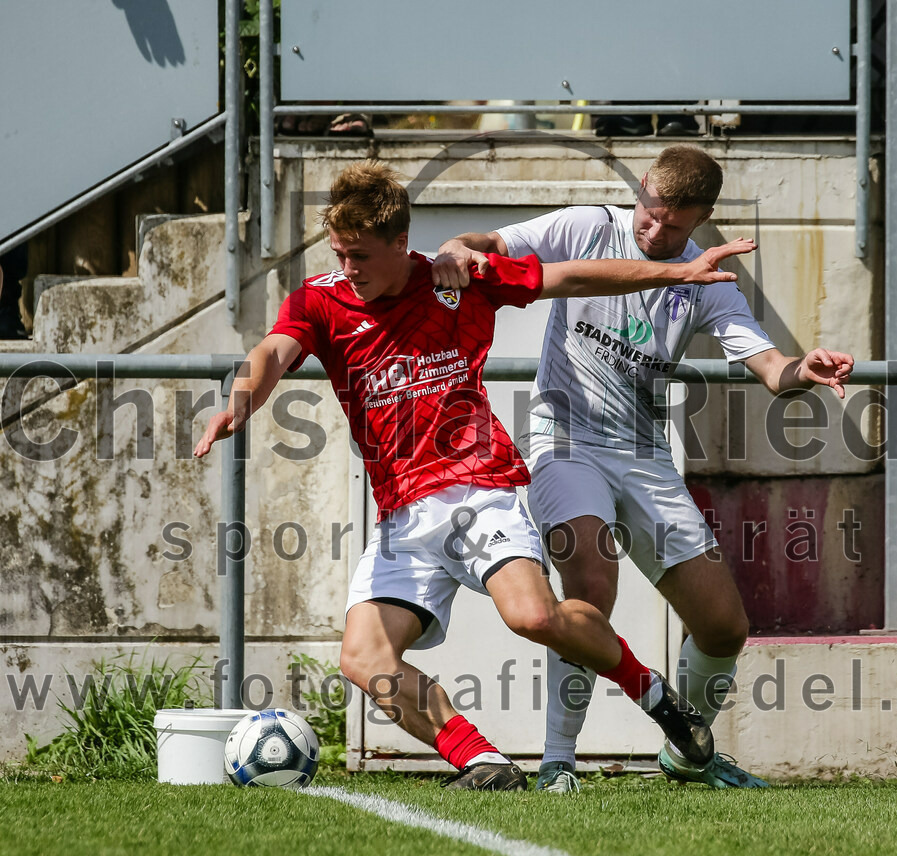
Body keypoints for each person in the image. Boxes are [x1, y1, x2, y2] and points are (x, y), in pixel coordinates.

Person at [194, 160, 759, 790]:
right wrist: (239, 402)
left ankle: (654, 698)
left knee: (535, 618)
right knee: (363, 659)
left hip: (477, 491)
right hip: (402, 515)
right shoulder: (321, 300)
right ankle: (482, 759)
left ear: (398, 244)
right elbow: (274, 350)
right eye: (339, 252)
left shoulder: (456, 281)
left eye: (359, 255)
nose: (347, 267)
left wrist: (677, 273)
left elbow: (568, 278)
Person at [432, 145, 854, 792]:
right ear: (642, 190)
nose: (653, 231)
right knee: (591, 589)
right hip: (563, 441)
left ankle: (689, 756)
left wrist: (806, 370)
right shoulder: (584, 226)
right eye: (649, 213)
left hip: (644, 456)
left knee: (723, 626)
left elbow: (773, 371)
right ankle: (557, 764)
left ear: (701, 220)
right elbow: (483, 239)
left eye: (673, 225)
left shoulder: (707, 278)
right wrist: (457, 250)